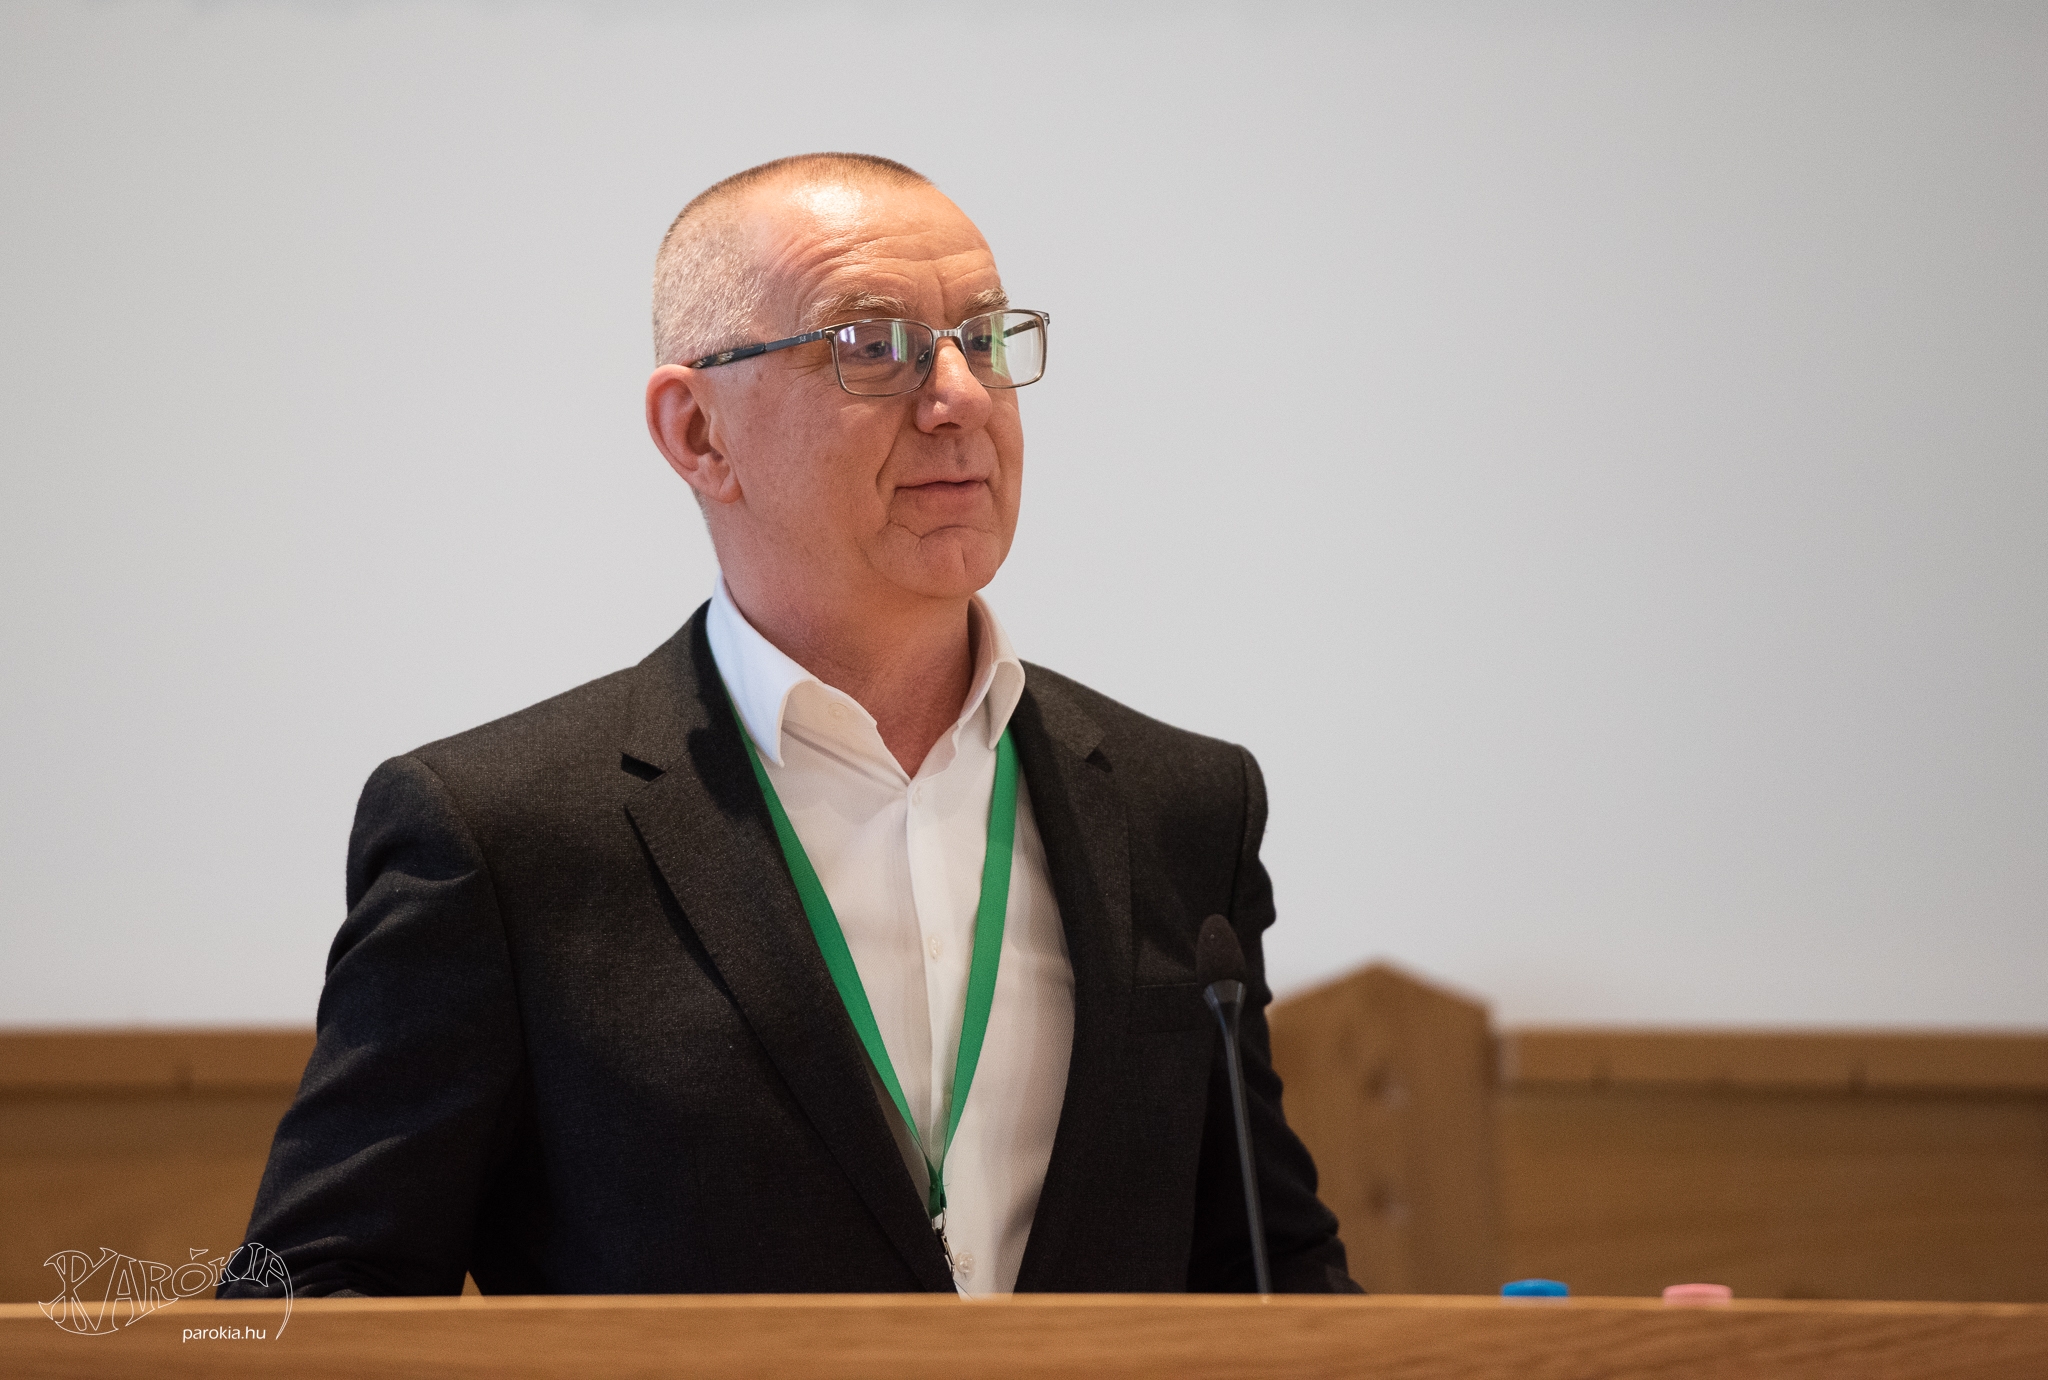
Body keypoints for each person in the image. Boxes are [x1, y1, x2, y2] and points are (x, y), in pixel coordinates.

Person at [225, 153, 1358, 1298]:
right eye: (872, 346)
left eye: (982, 339)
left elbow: (1269, 1274)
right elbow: (309, 1298)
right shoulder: (502, 840)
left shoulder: (1179, 808)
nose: (959, 397)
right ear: (697, 433)